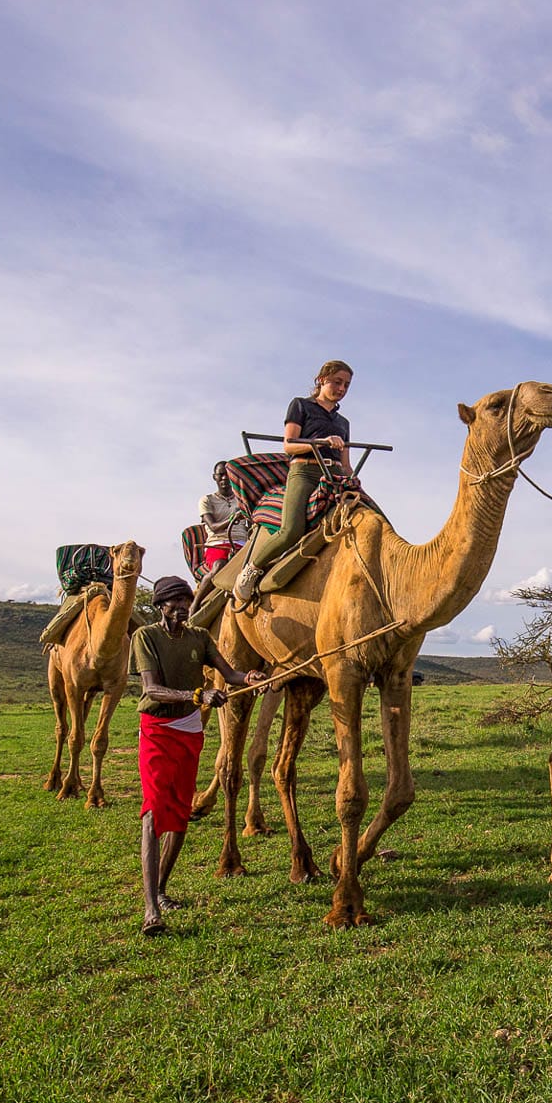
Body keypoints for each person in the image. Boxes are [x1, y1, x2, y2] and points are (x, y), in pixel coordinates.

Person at [132, 575, 266, 934]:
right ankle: (150, 910)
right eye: (174, 607)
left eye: (185, 607)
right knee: (154, 811)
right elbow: (153, 689)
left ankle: (161, 891)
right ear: (160, 606)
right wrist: (198, 696)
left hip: (190, 732)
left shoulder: (199, 637)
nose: (180, 613)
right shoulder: (145, 637)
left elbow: (229, 673)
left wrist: (249, 676)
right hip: (158, 730)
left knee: (178, 812)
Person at [234, 360, 354, 603]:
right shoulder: (301, 406)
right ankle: (250, 571)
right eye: (337, 382)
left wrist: (351, 479)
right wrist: (321, 443)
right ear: (322, 379)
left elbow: (346, 463)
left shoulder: (344, 423)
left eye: (347, 385)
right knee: (291, 530)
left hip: (333, 477)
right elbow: (289, 446)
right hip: (305, 472)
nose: (342, 388)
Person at [193, 461, 248, 613]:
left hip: (243, 544)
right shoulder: (207, 500)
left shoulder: (243, 499)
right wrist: (233, 518)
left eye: (228, 474)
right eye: (221, 475)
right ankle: (195, 605)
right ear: (214, 477)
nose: (225, 478)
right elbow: (213, 527)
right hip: (218, 544)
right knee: (219, 566)